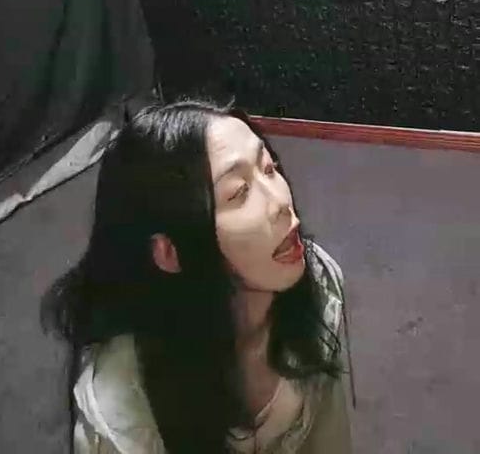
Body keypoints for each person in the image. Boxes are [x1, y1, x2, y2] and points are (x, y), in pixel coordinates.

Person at [41, 98, 354, 454]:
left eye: (269, 168)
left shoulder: (318, 283)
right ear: (169, 252)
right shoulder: (121, 419)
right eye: (239, 192)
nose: (281, 201)